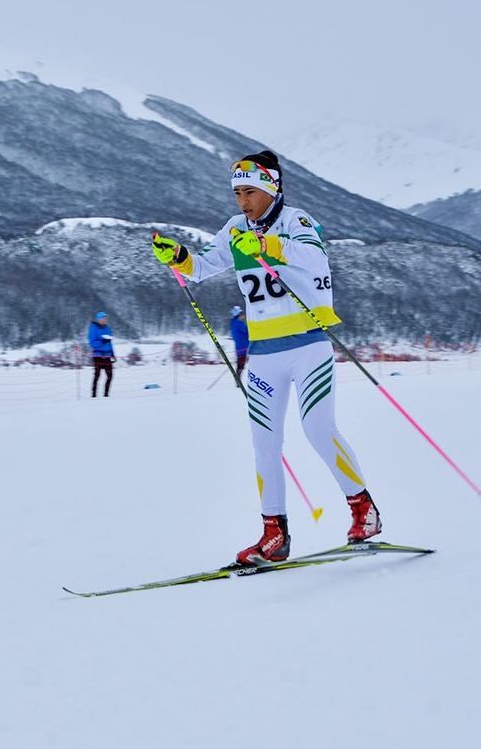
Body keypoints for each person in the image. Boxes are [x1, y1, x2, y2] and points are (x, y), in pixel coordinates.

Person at [152, 150, 381, 564]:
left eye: (250, 192)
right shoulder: (234, 227)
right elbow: (203, 268)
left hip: (308, 345)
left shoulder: (296, 220)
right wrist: (179, 258)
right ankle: (274, 535)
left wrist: (267, 244)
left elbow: (315, 257)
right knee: (264, 445)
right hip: (263, 354)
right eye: (237, 192)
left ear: (270, 188)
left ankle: (363, 510)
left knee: (317, 429)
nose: (243, 201)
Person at [87, 311, 115, 397]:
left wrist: (112, 354)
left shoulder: (108, 329)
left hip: (107, 355)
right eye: (103, 318)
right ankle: (94, 395)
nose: (105, 320)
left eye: (106, 318)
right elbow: (92, 343)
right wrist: (102, 341)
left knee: (110, 376)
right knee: (97, 376)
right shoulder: (94, 328)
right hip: (98, 355)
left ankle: (106, 394)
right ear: (99, 319)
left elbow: (110, 343)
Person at [229, 305, 249, 385]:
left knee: (240, 365)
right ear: (239, 315)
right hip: (244, 347)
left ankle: (238, 381)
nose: (244, 316)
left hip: (240, 347)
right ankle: (238, 382)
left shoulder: (234, 323)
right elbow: (248, 331)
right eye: (242, 314)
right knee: (241, 365)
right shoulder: (239, 324)